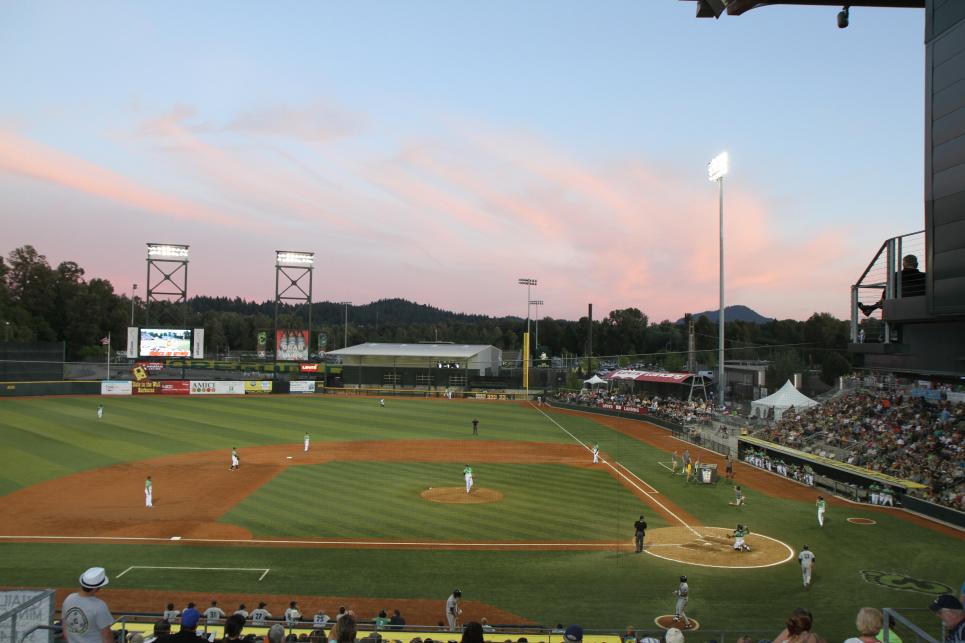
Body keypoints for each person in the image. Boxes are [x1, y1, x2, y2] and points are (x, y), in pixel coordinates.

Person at [62, 567, 113, 643]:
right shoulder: (100, 606)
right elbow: (107, 637)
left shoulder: (68, 599)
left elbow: (65, 630)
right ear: (96, 588)